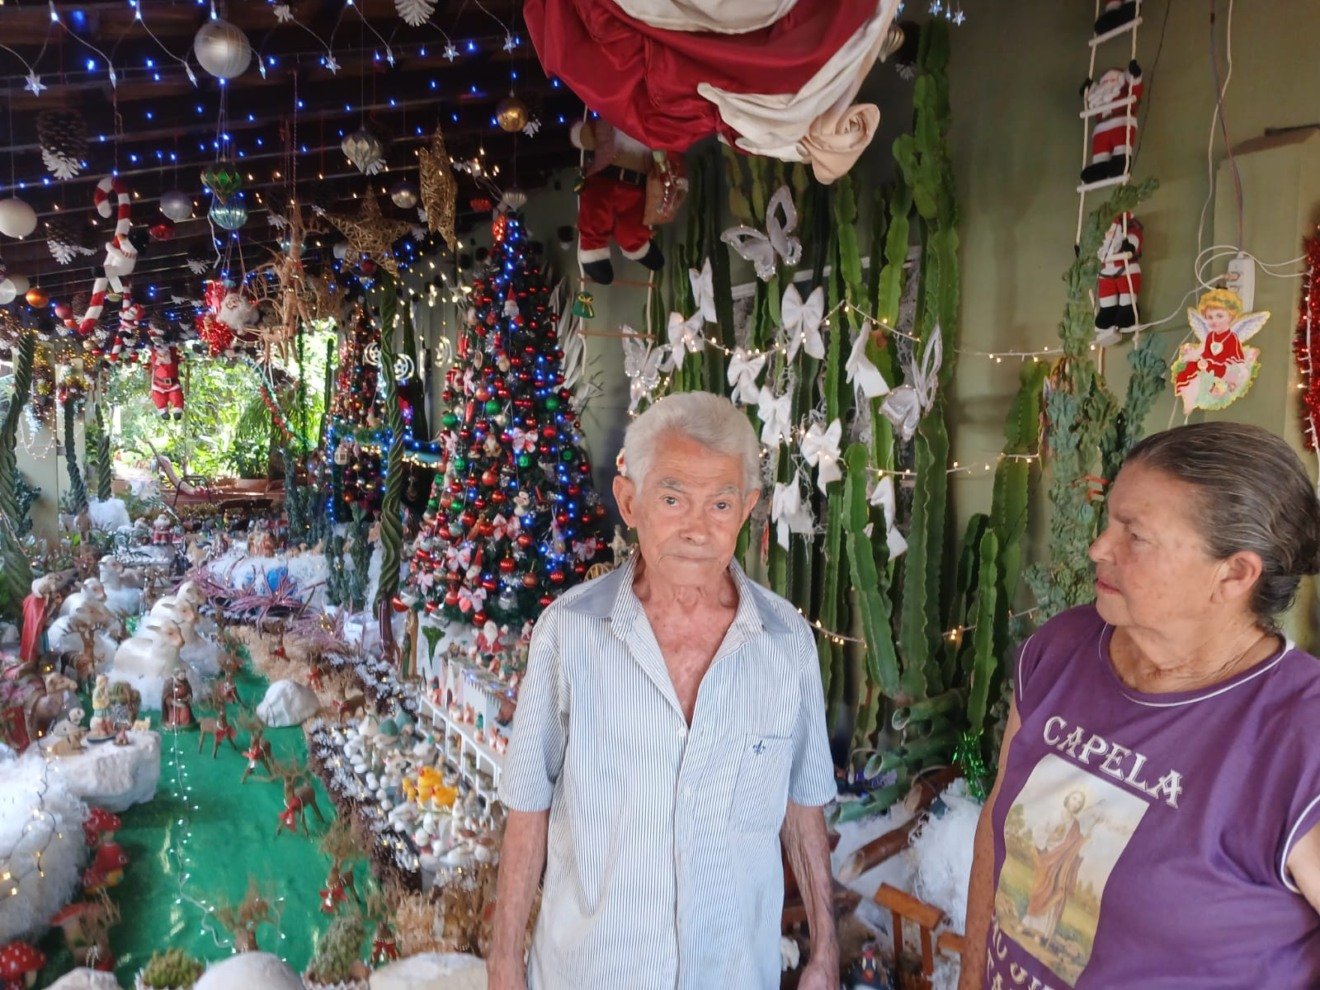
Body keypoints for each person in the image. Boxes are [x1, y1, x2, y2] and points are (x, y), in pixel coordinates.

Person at [489, 391, 837, 990]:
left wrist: (825, 950)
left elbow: (803, 808)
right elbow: (528, 806)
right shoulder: (570, 634)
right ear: (630, 502)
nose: (697, 529)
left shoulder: (787, 645)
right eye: (673, 499)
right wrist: (503, 961)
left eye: (720, 504)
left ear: (747, 509)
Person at [961, 422, 1320, 989]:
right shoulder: (1061, 648)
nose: (1099, 548)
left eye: (1135, 535)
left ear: (1234, 574)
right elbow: (996, 825)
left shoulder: (1301, 736)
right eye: (1110, 522)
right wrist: (971, 977)